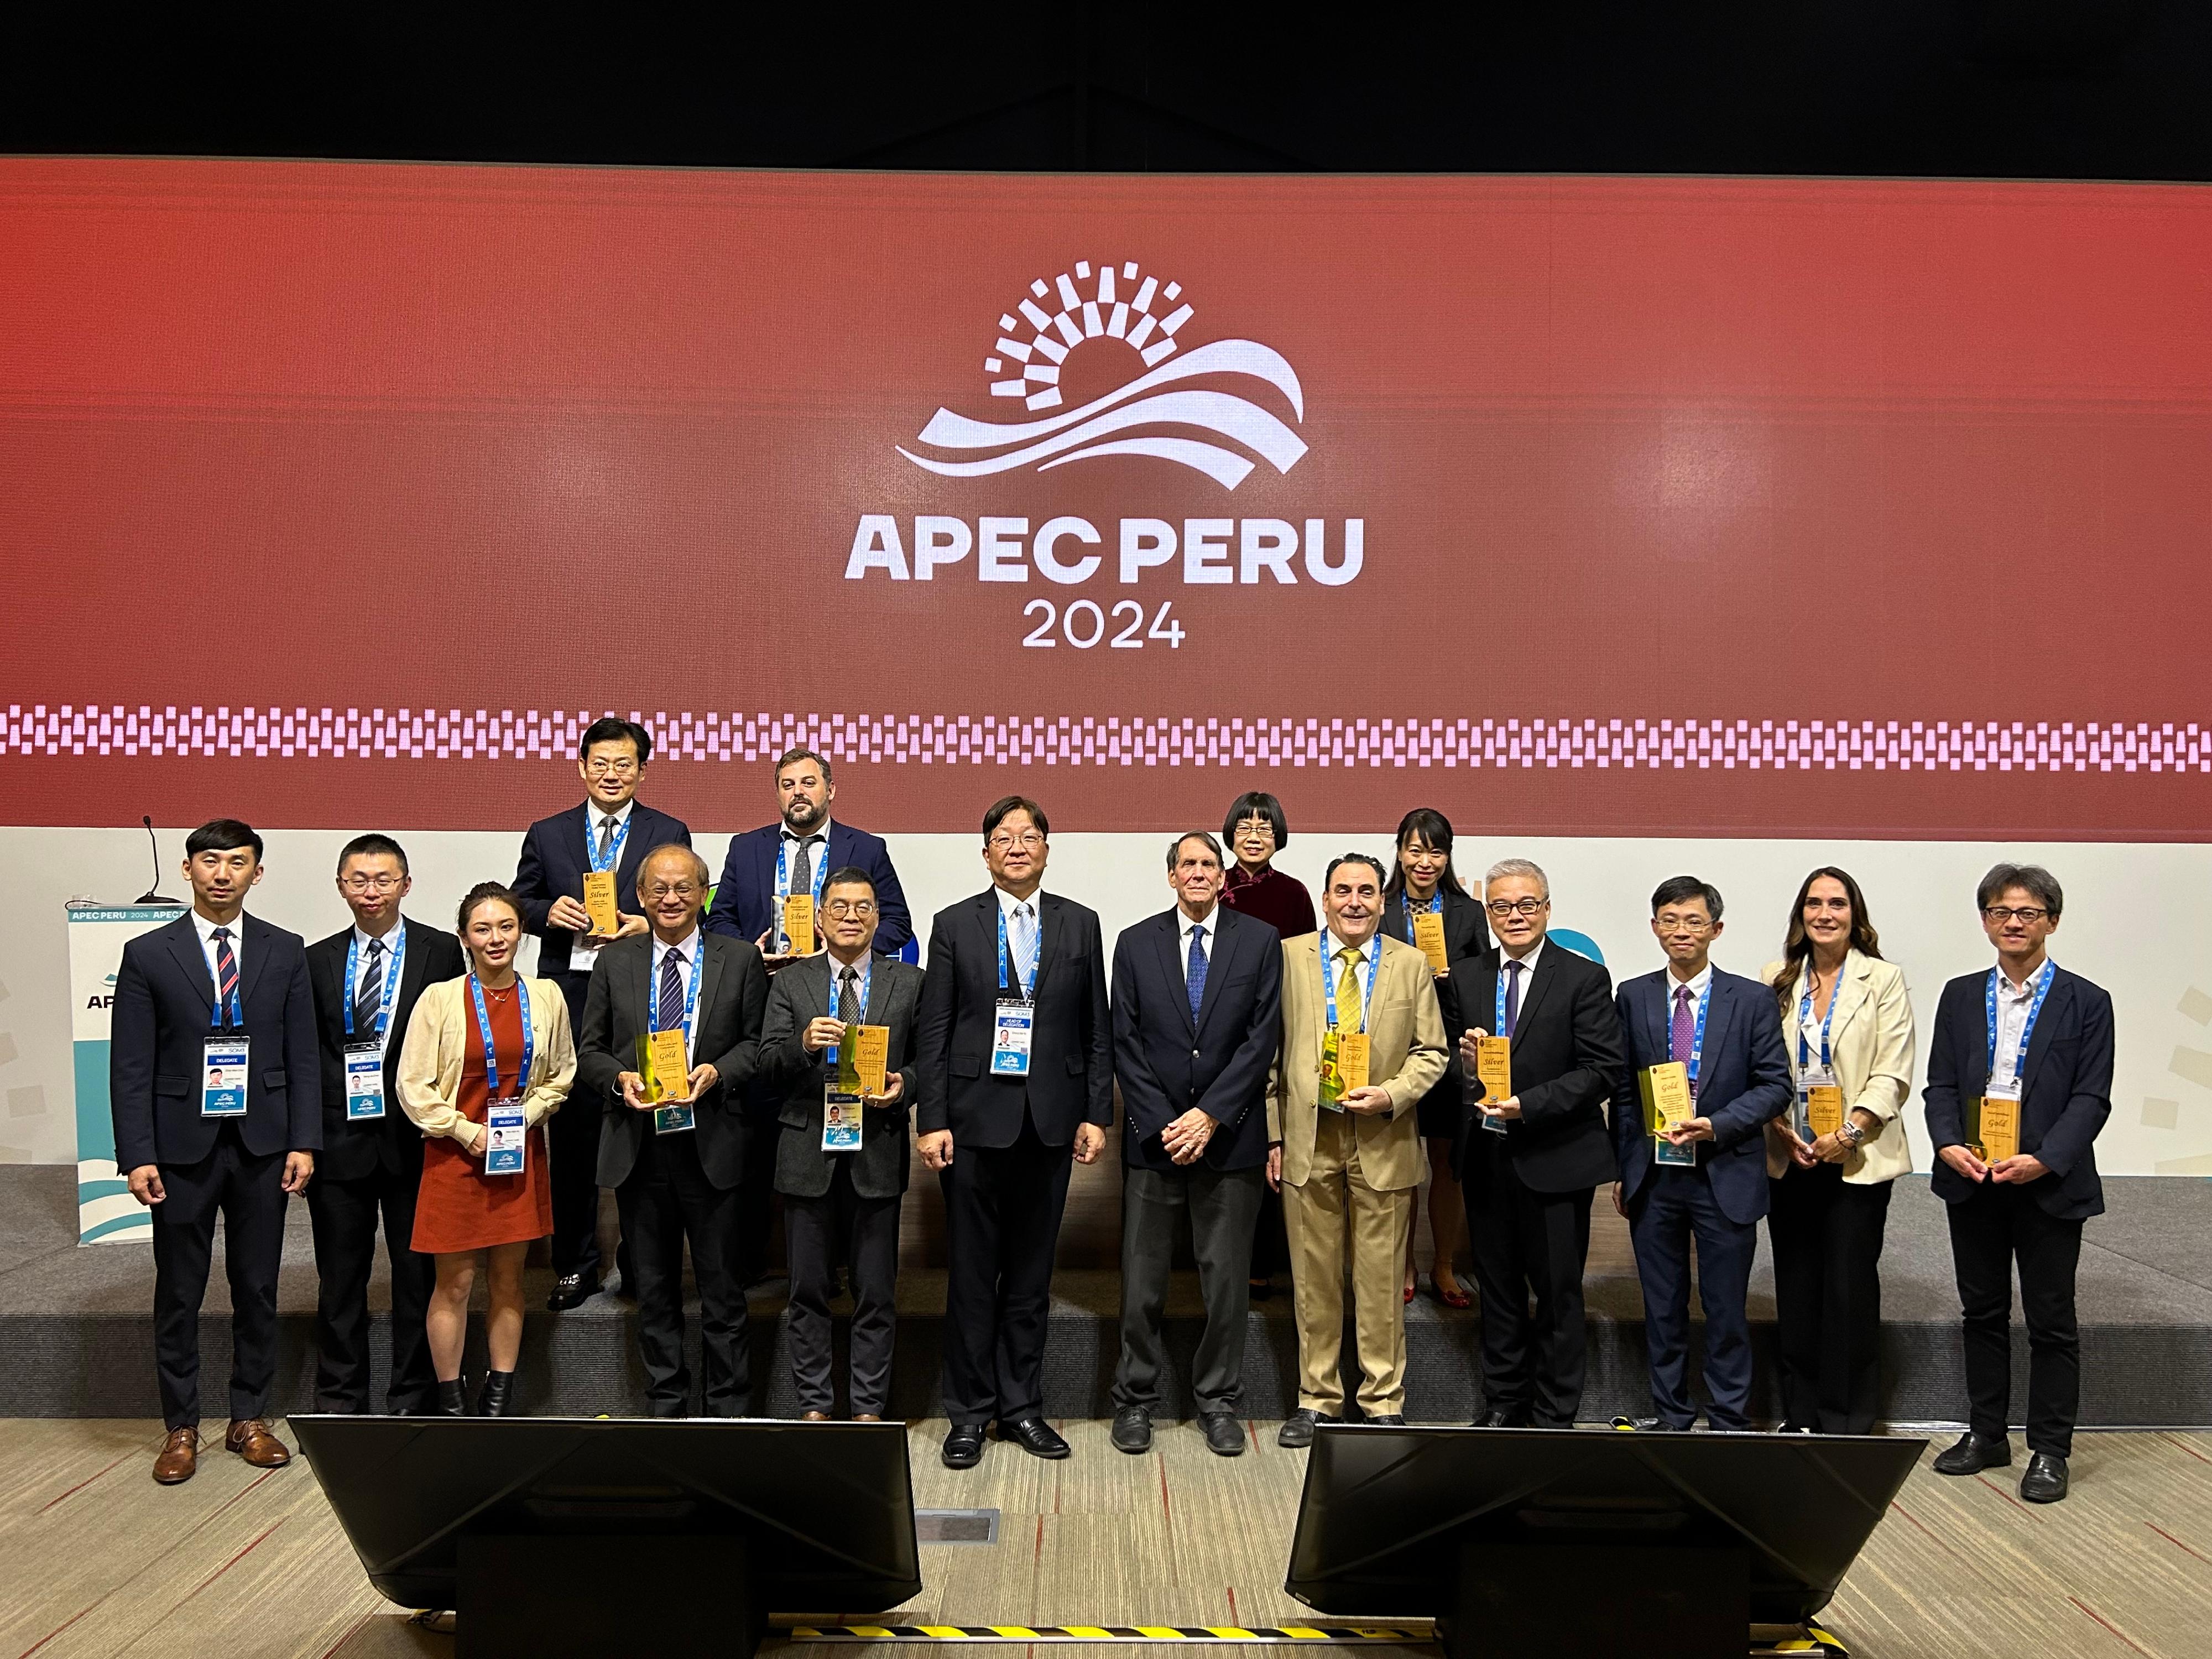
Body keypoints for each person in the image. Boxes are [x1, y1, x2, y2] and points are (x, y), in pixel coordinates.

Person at [111, 820, 319, 1484]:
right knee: (179, 1290)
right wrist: (137, 1153)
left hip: (262, 1144)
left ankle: (248, 1417)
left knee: (256, 1286)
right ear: (187, 870)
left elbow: (303, 1057)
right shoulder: (148, 953)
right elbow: (131, 1065)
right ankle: (180, 1426)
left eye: (237, 861)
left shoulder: (285, 951)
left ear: (257, 873)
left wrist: (304, 1141)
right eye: (209, 860)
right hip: (178, 1147)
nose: (222, 872)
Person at [916, 796, 1112, 1468]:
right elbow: (934, 1031)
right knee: (972, 1276)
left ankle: (1022, 1408)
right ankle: (968, 1414)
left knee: (1030, 1279)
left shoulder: (1079, 924)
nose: (1018, 846)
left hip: (1052, 1123)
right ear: (987, 853)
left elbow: (1096, 1028)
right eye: (1005, 837)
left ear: (1047, 850)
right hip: (972, 1124)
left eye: (1030, 836)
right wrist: (932, 1119)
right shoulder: (953, 924)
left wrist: (1095, 1113)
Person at [1923, 864, 2112, 1504]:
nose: (2013, 923)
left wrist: (2044, 1159)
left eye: (2027, 913)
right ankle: (1986, 1434)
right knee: (1982, 1312)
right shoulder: (1958, 994)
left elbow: (2091, 1099)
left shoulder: (2088, 1002)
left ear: (2051, 922)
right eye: (2001, 912)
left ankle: (2050, 1450)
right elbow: (1941, 1084)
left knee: (2051, 1318)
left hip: (2046, 1185)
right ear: (1984, 921)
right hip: (1973, 1179)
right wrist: (1947, 1143)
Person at [706, 747, 914, 1284]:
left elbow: (896, 923)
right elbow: (720, 919)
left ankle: (845, 1265)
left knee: (836, 1127)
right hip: (763, 1002)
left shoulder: (866, 848)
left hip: (840, 1003)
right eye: (787, 784)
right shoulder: (746, 848)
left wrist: (840, 947)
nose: (798, 793)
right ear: (777, 793)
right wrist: (753, 955)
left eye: (808, 783)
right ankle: (755, 1264)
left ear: (830, 790)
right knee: (760, 1133)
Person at [1108, 832, 1285, 1458]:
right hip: (1155, 1144)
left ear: (1222, 877)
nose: (1199, 873)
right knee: (1143, 1283)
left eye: (1209, 864)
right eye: (1188, 864)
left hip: (1229, 1141)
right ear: (1170, 876)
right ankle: (1134, 1400)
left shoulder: (1260, 942)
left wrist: (1209, 1116)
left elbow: (1261, 1039)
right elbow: (1123, 1043)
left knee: (1226, 1281)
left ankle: (1218, 1402)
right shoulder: (1134, 943)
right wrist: (1165, 1123)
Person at [576, 846, 768, 1417]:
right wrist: (620, 1080)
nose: (670, 899)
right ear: (640, 896)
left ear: (703, 894)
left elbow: (759, 1044)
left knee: (722, 1292)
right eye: (659, 889)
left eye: (684, 888)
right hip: (641, 1148)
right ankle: (666, 1407)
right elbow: (589, 1051)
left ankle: (728, 1409)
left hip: (714, 1144)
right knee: (654, 1292)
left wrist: (719, 1071)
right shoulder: (615, 961)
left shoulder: (739, 959)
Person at [511, 717, 691, 1310]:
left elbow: (690, 903)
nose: (612, 774)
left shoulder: (668, 829)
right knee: (574, 1133)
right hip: (570, 996)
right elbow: (522, 901)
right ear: (581, 766)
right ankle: (575, 1262)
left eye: (625, 765)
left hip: (641, 995)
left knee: (644, 1131)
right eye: (601, 764)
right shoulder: (548, 831)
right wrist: (545, 912)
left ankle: (641, 1262)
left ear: (642, 770)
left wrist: (649, 923)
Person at [1269, 853, 1449, 1446]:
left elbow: (1432, 1052)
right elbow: (1268, 1054)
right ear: (1324, 900)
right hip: (1307, 1137)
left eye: (1366, 892)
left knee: (1377, 1282)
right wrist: (1275, 1133)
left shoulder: (1411, 963)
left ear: (1381, 900)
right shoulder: (1289, 956)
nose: (1354, 902)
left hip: (1383, 1137)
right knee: (1314, 1279)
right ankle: (1317, 1398)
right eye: (1342, 891)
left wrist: (1392, 1095)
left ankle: (1381, 1401)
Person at [1610, 877, 1791, 1432]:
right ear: (1654, 927)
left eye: (1693, 921)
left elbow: (1774, 1085)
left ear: (1715, 929)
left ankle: (1730, 1421)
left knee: (1726, 1311)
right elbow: (1621, 1090)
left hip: (1725, 1173)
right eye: (1669, 919)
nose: (1680, 931)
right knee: (1661, 1310)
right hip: (1655, 1175)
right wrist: (1623, 1166)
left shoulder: (1752, 999)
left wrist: (1717, 1125)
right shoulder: (1633, 995)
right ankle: (1671, 1416)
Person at [1446, 858, 1622, 1428]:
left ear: (1547, 909)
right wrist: (1467, 1068)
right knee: (1496, 1292)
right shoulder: (1467, 976)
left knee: (1557, 1296)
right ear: (1487, 913)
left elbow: (1601, 1069)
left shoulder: (1582, 977)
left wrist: (1529, 1105)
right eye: (1501, 906)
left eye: (1526, 905)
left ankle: (1553, 1413)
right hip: (1486, 1158)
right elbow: (1447, 1062)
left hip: (1555, 1158)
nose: (1514, 916)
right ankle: (1503, 1404)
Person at [398, 883, 576, 1416]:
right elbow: (414, 1084)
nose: (495, 938)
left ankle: (499, 1397)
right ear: (464, 938)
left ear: (522, 932)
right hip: (455, 1157)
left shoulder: (547, 996)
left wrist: (526, 1116)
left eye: (506, 927)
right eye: (482, 929)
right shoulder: (440, 998)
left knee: (508, 1280)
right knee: (454, 1284)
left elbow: (562, 1074)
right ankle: (451, 1401)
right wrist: (461, 1129)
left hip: (517, 1155)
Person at [304, 834, 466, 1415]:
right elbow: (307, 1054)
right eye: (358, 880)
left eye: (384, 879)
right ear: (341, 885)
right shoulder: (316, 958)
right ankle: (340, 1399)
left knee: (417, 1276)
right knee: (340, 1280)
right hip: (338, 1139)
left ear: (406, 884)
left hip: (416, 1141)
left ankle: (413, 1396)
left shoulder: (441, 950)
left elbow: (453, 1044)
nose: (371, 891)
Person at [760, 867, 925, 1421]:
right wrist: (803, 1044)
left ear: (878, 919)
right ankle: (813, 1407)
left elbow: (931, 1062)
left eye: (862, 907)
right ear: (820, 918)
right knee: (807, 1293)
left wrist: (906, 1086)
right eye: (839, 907)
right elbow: (765, 1064)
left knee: (875, 1294)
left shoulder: (910, 982)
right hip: (807, 1152)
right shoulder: (790, 982)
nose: (851, 916)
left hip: (877, 1150)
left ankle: (868, 1409)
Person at [1760, 868, 1917, 1436]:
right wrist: (1782, 1128)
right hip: (1790, 1155)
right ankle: (1800, 1413)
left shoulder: (1883, 979)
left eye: (1837, 903)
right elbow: (1763, 1068)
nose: (1824, 913)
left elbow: (1892, 1071)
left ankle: (1847, 1417)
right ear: (1800, 914)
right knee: (1796, 1286)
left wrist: (1847, 1133)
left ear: (1856, 914)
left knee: (1848, 1288)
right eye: (1813, 903)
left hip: (1856, 1157)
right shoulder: (1775, 980)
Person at [1378, 808, 1490, 1306]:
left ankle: (1443, 1265)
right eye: (1416, 850)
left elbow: (1486, 981)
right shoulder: (1377, 906)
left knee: (1446, 1163)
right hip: (1391, 1054)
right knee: (1401, 1163)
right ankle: (1403, 1263)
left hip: (1448, 1048)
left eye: (1436, 851)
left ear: (1448, 857)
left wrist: (1454, 979)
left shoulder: (1468, 913)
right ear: (1400, 851)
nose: (1425, 861)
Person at [1218, 789, 1315, 1303]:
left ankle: (1267, 1264)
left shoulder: (1296, 894)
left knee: (1275, 1149)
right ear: (1230, 833)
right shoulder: (1214, 883)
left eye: (1265, 827)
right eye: (1245, 827)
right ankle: (1227, 1264)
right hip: (1220, 1033)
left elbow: (1308, 971)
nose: (1254, 835)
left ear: (1279, 836)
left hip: (1280, 1029)